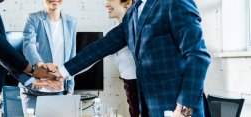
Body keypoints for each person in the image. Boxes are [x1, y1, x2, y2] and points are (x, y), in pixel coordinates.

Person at [48, 0, 211, 116]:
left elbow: (198, 56)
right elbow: (102, 46)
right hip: (150, 107)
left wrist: (183, 110)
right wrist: (61, 72)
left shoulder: (174, 2)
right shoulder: (134, 11)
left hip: (178, 108)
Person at [21, 0, 77, 110]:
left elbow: (72, 55)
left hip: (59, 89)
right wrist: (40, 64)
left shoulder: (71, 22)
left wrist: (70, 89)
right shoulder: (33, 18)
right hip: (33, 89)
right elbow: (28, 45)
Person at [105, 0, 139, 117]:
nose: (107, 4)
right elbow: (94, 54)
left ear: (128, 3)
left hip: (141, 84)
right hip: (128, 83)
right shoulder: (112, 33)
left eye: (111, 0)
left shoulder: (139, 28)